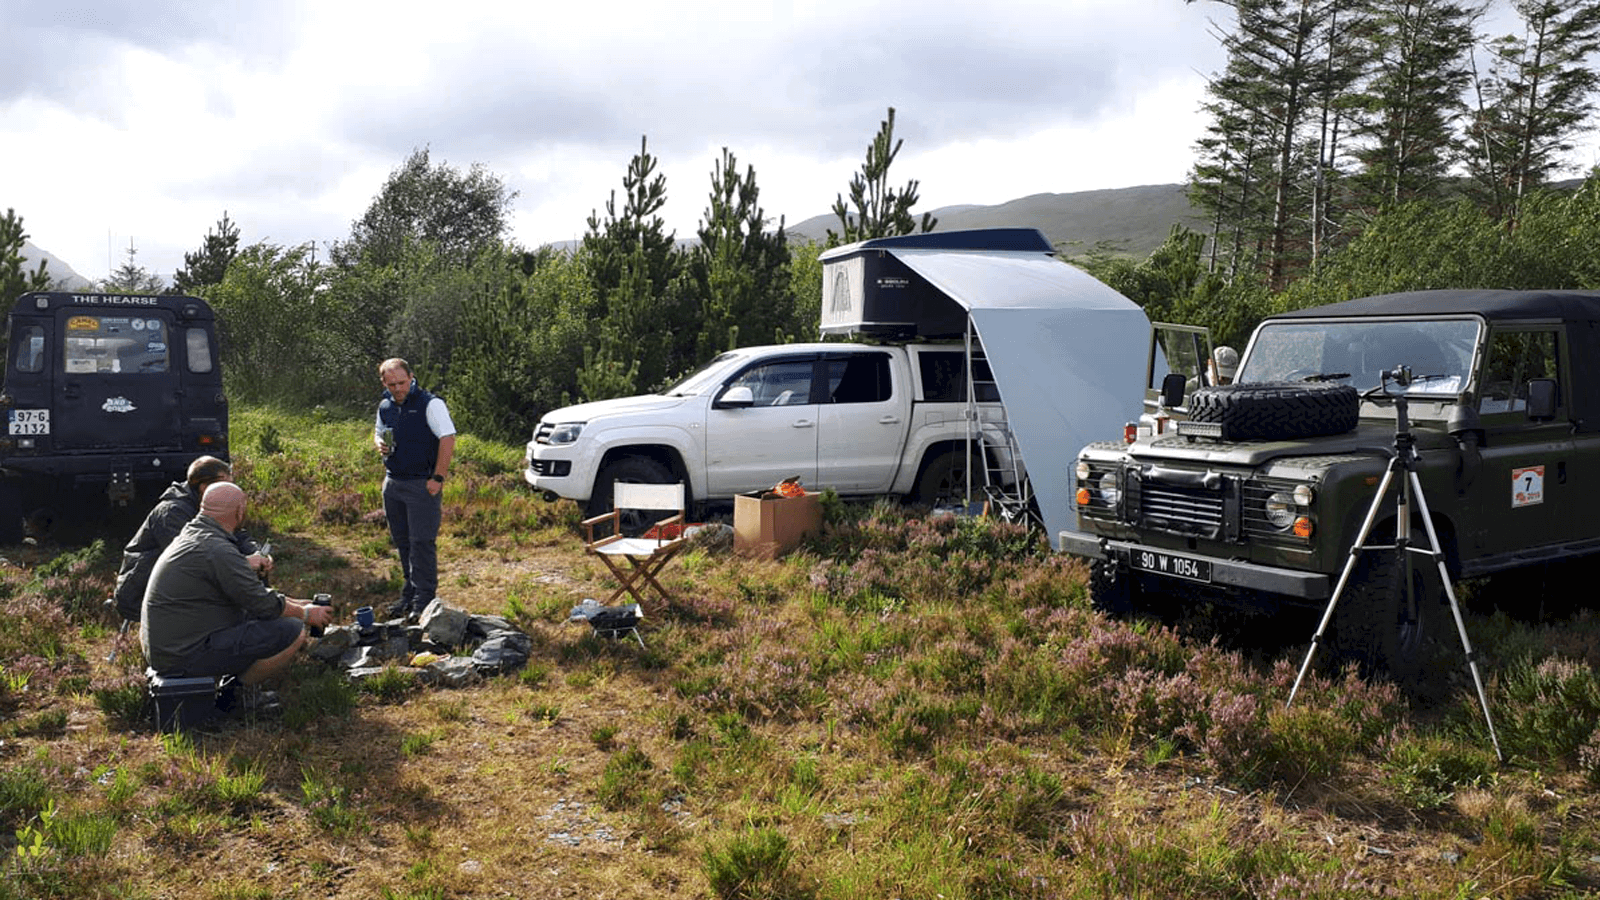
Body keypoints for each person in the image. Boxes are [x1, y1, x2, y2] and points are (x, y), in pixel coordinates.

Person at [140, 482, 330, 686]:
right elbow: (261, 604)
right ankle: (233, 695)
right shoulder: (218, 550)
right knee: (292, 630)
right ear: (239, 512)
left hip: (170, 648)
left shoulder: (195, 535)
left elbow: (247, 593)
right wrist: (306, 615)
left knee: (271, 618)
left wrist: (298, 604)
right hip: (184, 655)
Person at [112, 456, 270, 623]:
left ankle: (265, 617)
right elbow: (193, 561)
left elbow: (238, 533)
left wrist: (257, 554)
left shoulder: (211, 504)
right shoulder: (172, 513)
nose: (229, 490)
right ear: (204, 487)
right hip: (142, 592)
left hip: (183, 584)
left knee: (250, 572)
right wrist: (243, 562)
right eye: (224, 485)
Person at [373, 357, 456, 620]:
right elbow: (377, 431)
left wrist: (438, 478)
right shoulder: (385, 405)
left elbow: (448, 438)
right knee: (403, 542)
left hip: (422, 484)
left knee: (421, 543)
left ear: (411, 377)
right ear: (384, 383)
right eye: (391, 384)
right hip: (393, 482)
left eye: (401, 382)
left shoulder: (430, 404)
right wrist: (379, 444)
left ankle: (425, 601)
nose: (398, 388)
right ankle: (409, 593)